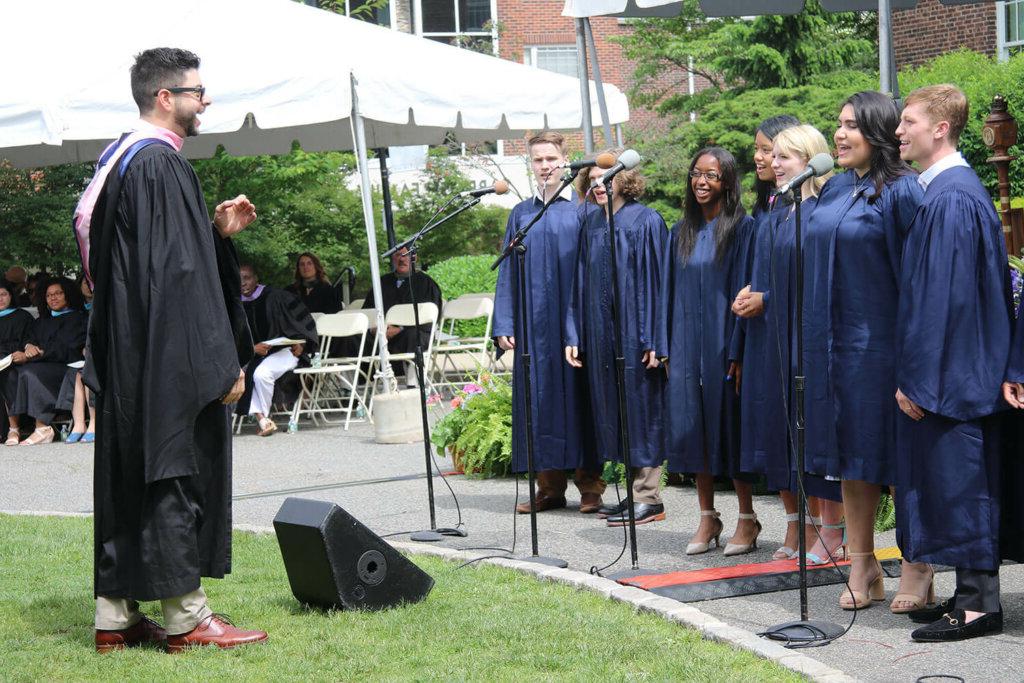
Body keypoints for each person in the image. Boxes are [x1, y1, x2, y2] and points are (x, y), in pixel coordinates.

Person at [78, 47, 265, 653]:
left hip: (131, 348)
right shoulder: (159, 164)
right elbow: (177, 277)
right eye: (197, 91)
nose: (204, 101)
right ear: (166, 97)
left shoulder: (118, 160)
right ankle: (187, 619)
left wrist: (214, 233)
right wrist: (222, 361)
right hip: (166, 354)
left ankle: (116, 616)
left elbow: (130, 262)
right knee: (172, 471)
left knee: (130, 474)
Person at [894, 84, 1019, 642]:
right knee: (956, 481)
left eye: (909, 121)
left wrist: (917, 380)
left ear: (940, 128)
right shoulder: (950, 194)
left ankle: (976, 606)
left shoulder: (951, 199)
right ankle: (969, 596)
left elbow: (943, 300)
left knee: (963, 482)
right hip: (961, 369)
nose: (899, 131)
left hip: (955, 374)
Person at [801, 91, 926, 612]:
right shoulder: (832, 193)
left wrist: (916, 359)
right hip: (837, 350)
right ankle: (863, 564)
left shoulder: (904, 192)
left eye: (851, 125)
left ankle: (918, 567)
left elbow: (918, 280)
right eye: (838, 124)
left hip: (886, 348)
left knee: (901, 461)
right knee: (852, 460)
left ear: (877, 131)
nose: (840, 134)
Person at [733, 124, 846, 564]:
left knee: (818, 435)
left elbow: (816, 284)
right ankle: (816, 526)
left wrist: (768, 297)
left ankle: (834, 530)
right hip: (780, 339)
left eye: (785, 158)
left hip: (812, 337)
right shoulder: (780, 210)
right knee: (798, 437)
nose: (774, 165)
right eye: (773, 157)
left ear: (809, 160)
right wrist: (753, 291)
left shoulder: (821, 212)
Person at [494, 131, 605, 514]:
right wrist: (504, 321)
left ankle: (590, 485)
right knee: (538, 402)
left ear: (564, 161)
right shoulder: (521, 214)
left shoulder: (583, 212)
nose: (544, 166)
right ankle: (549, 487)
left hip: (575, 326)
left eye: (551, 159)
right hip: (534, 327)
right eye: (538, 160)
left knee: (580, 402)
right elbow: (507, 271)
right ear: (531, 164)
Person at [659, 147, 759, 556]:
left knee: (730, 427)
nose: (701, 182)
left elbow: (744, 291)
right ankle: (707, 516)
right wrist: (666, 348)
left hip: (723, 342)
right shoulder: (679, 230)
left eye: (712, 176)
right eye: (696, 174)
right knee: (693, 428)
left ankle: (747, 518)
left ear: (728, 182)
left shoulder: (742, 229)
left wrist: (737, 350)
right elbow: (667, 291)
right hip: (686, 344)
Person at [566, 150, 669, 526]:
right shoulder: (591, 224)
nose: (597, 185)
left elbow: (660, 284)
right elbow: (578, 283)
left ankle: (649, 497)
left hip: (636, 334)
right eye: (591, 179)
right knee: (615, 411)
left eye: (604, 178)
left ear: (623, 179)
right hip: (601, 335)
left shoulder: (646, 220)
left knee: (642, 410)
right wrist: (574, 332)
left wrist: (657, 338)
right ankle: (632, 494)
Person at [237, 263, 318, 436]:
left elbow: (302, 323)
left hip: (284, 352)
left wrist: (301, 344)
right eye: (239, 279)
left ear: (256, 278)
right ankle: (264, 420)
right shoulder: (234, 306)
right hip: (250, 355)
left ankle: (263, 418)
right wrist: (251, 348)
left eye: (247, 278)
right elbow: (229, 337)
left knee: (260, 374)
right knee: (240, 374)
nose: (242, 283)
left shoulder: (277, 297)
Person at [4, 278, 86, 446]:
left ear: (68, 295)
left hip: (67, 368)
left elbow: (69, 348)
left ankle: (42, 427)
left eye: (58, 293)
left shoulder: (80, 318)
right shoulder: (42, 320)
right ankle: (14, 428)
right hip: (41, 364)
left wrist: (40, 352)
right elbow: (30, 339)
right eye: (49, 295)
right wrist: (28, 347)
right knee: (11, 373)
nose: (53, 298)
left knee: (30, 372)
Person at [364, 247, 442, 387]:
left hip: (410, 332)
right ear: (393, 259)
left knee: (413, 335)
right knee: (354, 337)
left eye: (406, 255)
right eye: (398, 255)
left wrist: (400, 328)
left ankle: (413, 383)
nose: (402, 259)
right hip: (381, 333)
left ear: (414, 258)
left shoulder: (425, 283)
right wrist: (374, 328)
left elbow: (430, 315)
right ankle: (350, 389)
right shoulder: (381, 283)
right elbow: (368, 310)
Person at [55, 275, 96, 443]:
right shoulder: (80, 312)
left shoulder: (105, 306)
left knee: (88, 370)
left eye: (91, 282)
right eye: (84, 282)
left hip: (104, 356)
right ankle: (79, 424)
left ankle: (93, 421)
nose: (87, 285)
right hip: (84, 358)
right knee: (77, 372)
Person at [0, 280, 34, 444]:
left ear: (11, 296)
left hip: (13, 361)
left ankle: (13, 428)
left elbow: (30, 341)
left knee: (8, 376)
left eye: (3, 294)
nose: (0, 299)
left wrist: (25, 352)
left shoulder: (23, 316)